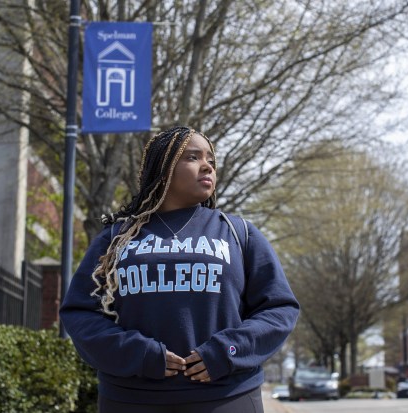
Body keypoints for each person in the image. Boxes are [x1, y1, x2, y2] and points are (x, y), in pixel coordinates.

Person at [60, 126, 299, 413]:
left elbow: (280, 309)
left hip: (227, 397)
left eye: (211, 159)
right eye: (193, 157)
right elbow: (80, 314)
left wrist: (228, 350)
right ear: (164, 168)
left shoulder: (239, 233)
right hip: (131, 399)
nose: (207, 165)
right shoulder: (117, 238)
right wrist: (140, 355)